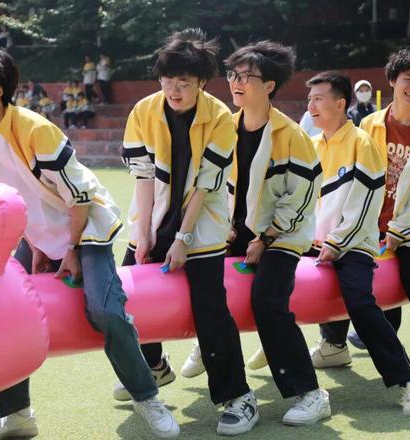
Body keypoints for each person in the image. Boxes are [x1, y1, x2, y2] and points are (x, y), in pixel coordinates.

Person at [0, 43, 180, 440]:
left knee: (106, 311)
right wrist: (33, 243)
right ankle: (16, 415)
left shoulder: (35, 129)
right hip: (34, 235)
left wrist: (70, 249)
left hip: (85, 229)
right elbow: (2, 199)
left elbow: (80, 196)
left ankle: (147, 396)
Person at [121, 28, 258, 436]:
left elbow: (206, 186)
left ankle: (238, 396)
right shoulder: (143, 111)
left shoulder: (220, 117)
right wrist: (145, 234)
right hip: (153, 217)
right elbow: (143, 177)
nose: (173, 90)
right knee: (124, 301)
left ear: (201, 82)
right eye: (167, 81)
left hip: (202, 223)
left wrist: (182, 239)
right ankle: (153, 366)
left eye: (183, 82)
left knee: (210, 310)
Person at [306, 70, 410, 416]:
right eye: (310, 99)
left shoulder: (362, 142)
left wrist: (337, 242)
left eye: (318, 99)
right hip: (314, 242)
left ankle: (406, 382)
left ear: (339, 104)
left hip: (355, 243)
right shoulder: (312, 145)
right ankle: (329, 347)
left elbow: (364, 205)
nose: (311, 106)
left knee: (360, 301)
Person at [226, 41, 329, 425]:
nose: (236, 82)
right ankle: (234, 392)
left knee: (268, 302)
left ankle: (311, 394)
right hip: (233, 231)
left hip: (283, 235)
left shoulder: (291, 134)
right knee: (208, 296)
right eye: (233, 74)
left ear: (268, 85)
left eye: (245, 76)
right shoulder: (225, 126)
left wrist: (265, 239)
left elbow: (300, 198)